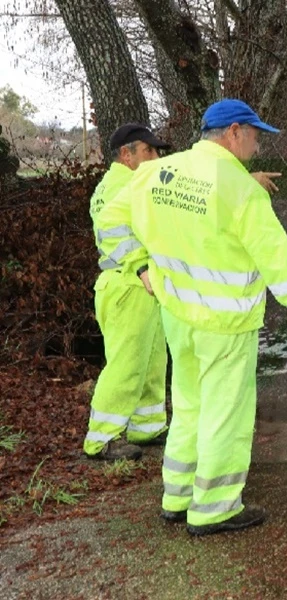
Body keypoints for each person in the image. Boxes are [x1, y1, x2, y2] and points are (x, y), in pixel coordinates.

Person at [98, 99, 287, 536]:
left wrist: (139, 266)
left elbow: (109, 220)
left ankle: (176, 497)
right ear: (233, 132)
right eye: (255, 135)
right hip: (227, 325)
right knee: (225, 414)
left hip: (178, 316)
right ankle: (214, 507)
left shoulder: (158, 173)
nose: (258, 144)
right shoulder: (241, 191)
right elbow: (282, 274)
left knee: (190, 407)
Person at [84, 124, 171, 461]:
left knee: (151, 360)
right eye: (149, 151)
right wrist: (141, 267)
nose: (156, 157)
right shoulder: (121, 186)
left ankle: (146, 427)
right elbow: (113, 231)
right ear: (127, 154)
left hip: (140, 286)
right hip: (128, 283)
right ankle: (101, 438)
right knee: (126, 363)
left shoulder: (130, 183)